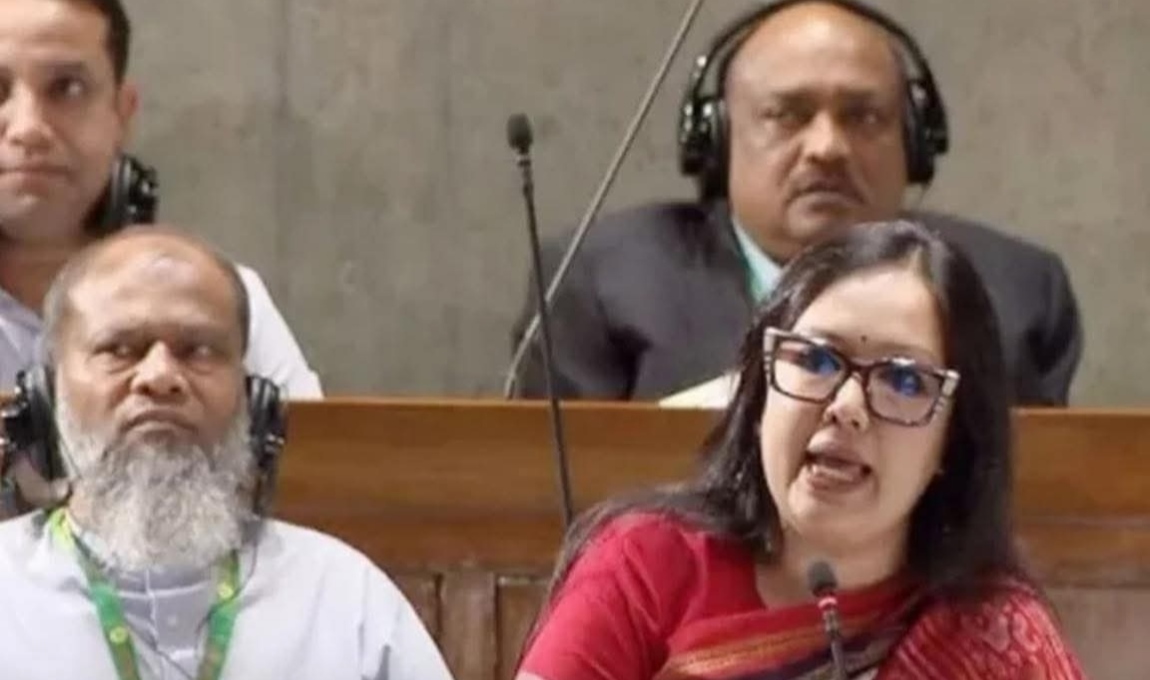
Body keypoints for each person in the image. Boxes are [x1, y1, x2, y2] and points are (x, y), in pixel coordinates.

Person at [515, 220, 1085, 680]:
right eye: (815, 360)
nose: (846, 406)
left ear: (951, 439)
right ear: (760, 392)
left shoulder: (993, 640)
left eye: (904, 380)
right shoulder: (645, 563)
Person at [510, 0, 1081, 406]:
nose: (827, 147)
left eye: (863, 116)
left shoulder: (1013, 295)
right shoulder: (600, 283)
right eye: (787, 115)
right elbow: (545, 499)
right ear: (719, 139)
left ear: (913, 142)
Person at [0, 227, 454, 679]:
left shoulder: (345, 601)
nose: (160, 376)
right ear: (48, 393)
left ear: (252, 398)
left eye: (198, 351)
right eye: (120, 349)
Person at [0, 0, 322, 396]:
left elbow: (313, 439)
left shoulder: (221, 304)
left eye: (68, 88)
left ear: (122, 113)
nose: (28, 129)